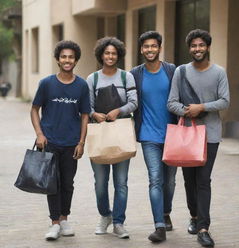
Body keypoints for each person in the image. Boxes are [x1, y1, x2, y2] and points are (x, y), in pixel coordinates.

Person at [167, 29, 230, 247]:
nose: (197, 49)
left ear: (208, 47)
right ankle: (194, 216)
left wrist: (202, 107)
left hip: (210, 135)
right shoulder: (181, 72)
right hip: (186, 135)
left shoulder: (219, 72)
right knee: (189, 180)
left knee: (203, 181)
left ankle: (203, 227)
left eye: (201, 45)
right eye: (193, 46)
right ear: (189, 49)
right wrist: (187, 111)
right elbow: (171, 102)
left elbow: (225, 101)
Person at [30, 40, 91, 241]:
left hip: (71, 143)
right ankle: (55, 222)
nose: (67, 60)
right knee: (52, 183)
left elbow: (84, 115)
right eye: (63, 56)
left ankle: (65, 218)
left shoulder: (82, 85)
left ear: (76, 60)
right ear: (58, 59)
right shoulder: (47, 83)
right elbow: (34, 109)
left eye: (71, 57)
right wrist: (40, 134)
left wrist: (81, 142)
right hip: (49, 142)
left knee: (68, 183)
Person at [86, 37, 138, 239]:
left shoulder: (127, 77)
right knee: (100, 183)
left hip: (121, 132)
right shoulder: (93, 79)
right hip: (99, 134)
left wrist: (119, 110)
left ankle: (118, 222)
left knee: (121, 183)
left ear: (119, 55)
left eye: (114, 53)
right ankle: (104, 215)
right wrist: (93, 114)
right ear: (101, 55)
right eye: (107, 53)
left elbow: (134, 102)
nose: (110, 56)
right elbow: (87, 107)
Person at [130, 31, 177, 243]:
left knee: (170, 180)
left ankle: (166, 212)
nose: (150, 49)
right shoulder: (135, 74)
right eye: (146, 46)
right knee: (155, 179)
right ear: (141, 49)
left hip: (173, 135)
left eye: (153, 46)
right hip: (148, 135)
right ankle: (159, 225)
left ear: (159, 48)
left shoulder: (172, 70)